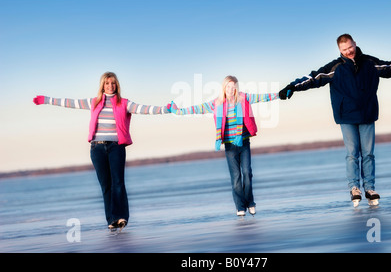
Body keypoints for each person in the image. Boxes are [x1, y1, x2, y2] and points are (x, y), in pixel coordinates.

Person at [279, 34, 391, 207]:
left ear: (355, 44)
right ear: (340, 50)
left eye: (350, 47)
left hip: (367, 113)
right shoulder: (335, 67)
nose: (348, 51)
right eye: (344, 50)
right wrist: (292, 86)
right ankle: (354, 188)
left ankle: (370, 188)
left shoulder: (370, 63)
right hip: (346, 115)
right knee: (353, 153)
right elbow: (314, 78)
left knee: (368, 154)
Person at [33, 72, 170, 230]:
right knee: (105, 185)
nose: (110, 86)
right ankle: (111, 220)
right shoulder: (94, 102)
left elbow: (144, 109)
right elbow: (70, 102)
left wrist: (165, 109)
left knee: (118, 183)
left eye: (113, 83)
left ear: (116, 85)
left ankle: (121, 217)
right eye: (107, 83)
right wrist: (46, 100)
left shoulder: (124, 103)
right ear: (102, 85)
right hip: (97, 148)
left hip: (116, 147)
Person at [170, 76, 279, 216]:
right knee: (236, 178)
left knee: (247, 173)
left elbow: (262, 97)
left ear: (236, 88)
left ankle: (250, 203)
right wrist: (178, 111)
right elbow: (197, 108)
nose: (231, 89)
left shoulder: (243, 98)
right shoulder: (217, 103)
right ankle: (240, 207)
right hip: (229, 145)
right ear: (224, 88)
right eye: (228, 86)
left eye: (233, 87)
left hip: (244, 142)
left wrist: (280, 94)